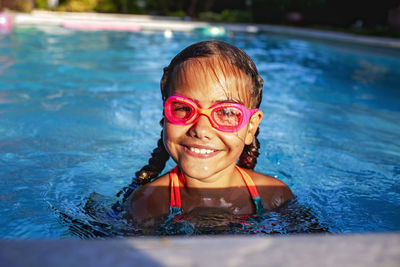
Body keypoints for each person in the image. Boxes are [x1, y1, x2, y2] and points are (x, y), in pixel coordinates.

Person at [120, 40, 293, 223]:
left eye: (226, 112)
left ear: (251, 127)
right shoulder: (147, 204)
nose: (201, 130)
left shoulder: (275, 196)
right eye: (183, 108)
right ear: (165, 114)